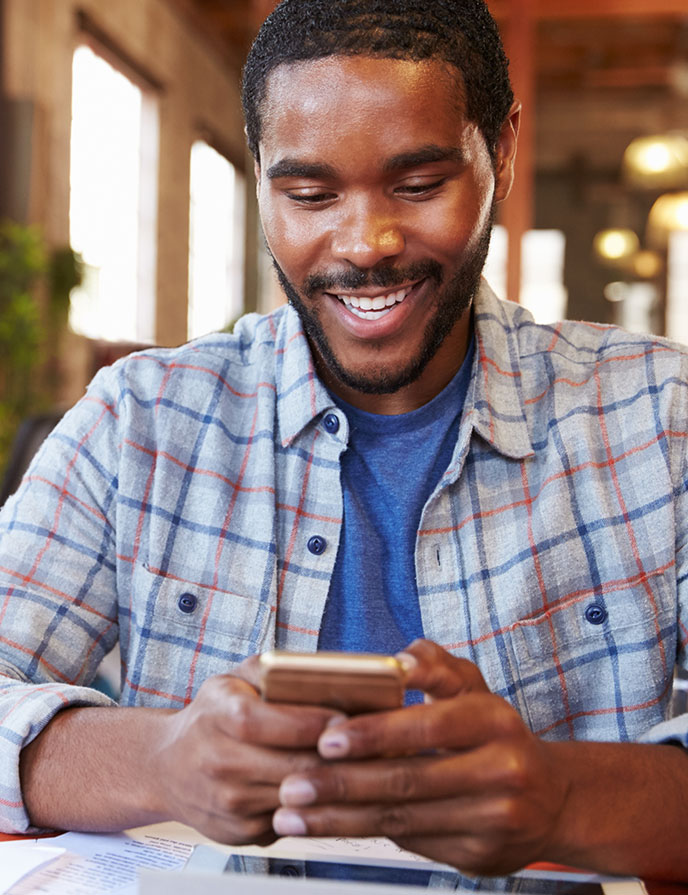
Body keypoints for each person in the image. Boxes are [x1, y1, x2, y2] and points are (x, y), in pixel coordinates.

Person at [1, 0, 687, 882]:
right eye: (309, 194)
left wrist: (563, 795)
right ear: (257, 175)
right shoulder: (141, 421)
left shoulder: (659, 418)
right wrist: (163, 759)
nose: (366, 244)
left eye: (418, 184)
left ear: (503, 151)